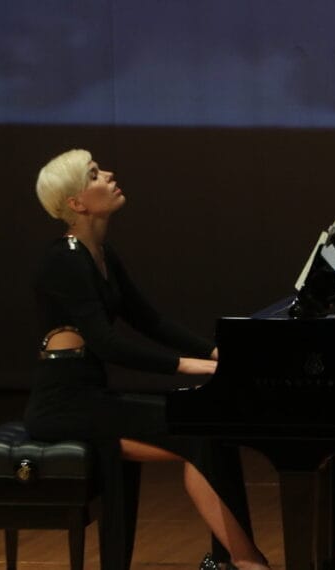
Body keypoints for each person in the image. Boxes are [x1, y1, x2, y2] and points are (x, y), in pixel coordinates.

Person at [24, 148, 269, 570]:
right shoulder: (62, 261)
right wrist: (190, 366)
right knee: (197, 434)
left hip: (91, 397)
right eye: (94, 174)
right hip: (64, 406)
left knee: (209, 425)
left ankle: (230, 560)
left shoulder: (101, 254)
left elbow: (150, 320)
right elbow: (107, 344)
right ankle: (248, 563)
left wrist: (218, 352)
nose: (108, 175)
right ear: (77, 203)